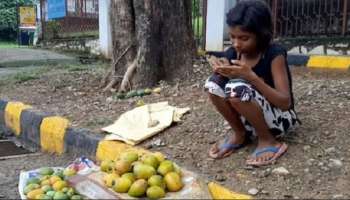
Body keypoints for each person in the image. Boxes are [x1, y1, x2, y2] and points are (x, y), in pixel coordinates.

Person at [204, 0, 300, 166]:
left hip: (279, 118)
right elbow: (220, 85)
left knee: (237, 89)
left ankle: (268, 140)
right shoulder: (234, 52)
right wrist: (219, 68)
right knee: (213, 84)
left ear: (261, 35)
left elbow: (285, 103)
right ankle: (240, 134)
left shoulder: (273, 55)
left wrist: (251, 77)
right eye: (232, 37)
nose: (236, 43)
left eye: (244, 38)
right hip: (249, 116)